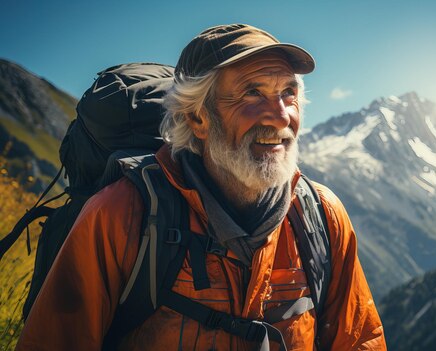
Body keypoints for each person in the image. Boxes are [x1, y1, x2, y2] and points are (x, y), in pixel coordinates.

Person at [17, 24, 386, 350]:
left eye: (288, 92)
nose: (280, 115)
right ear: (198, 118)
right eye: (252, 93)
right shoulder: (122, 215)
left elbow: (360, 340)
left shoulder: (320, 215)